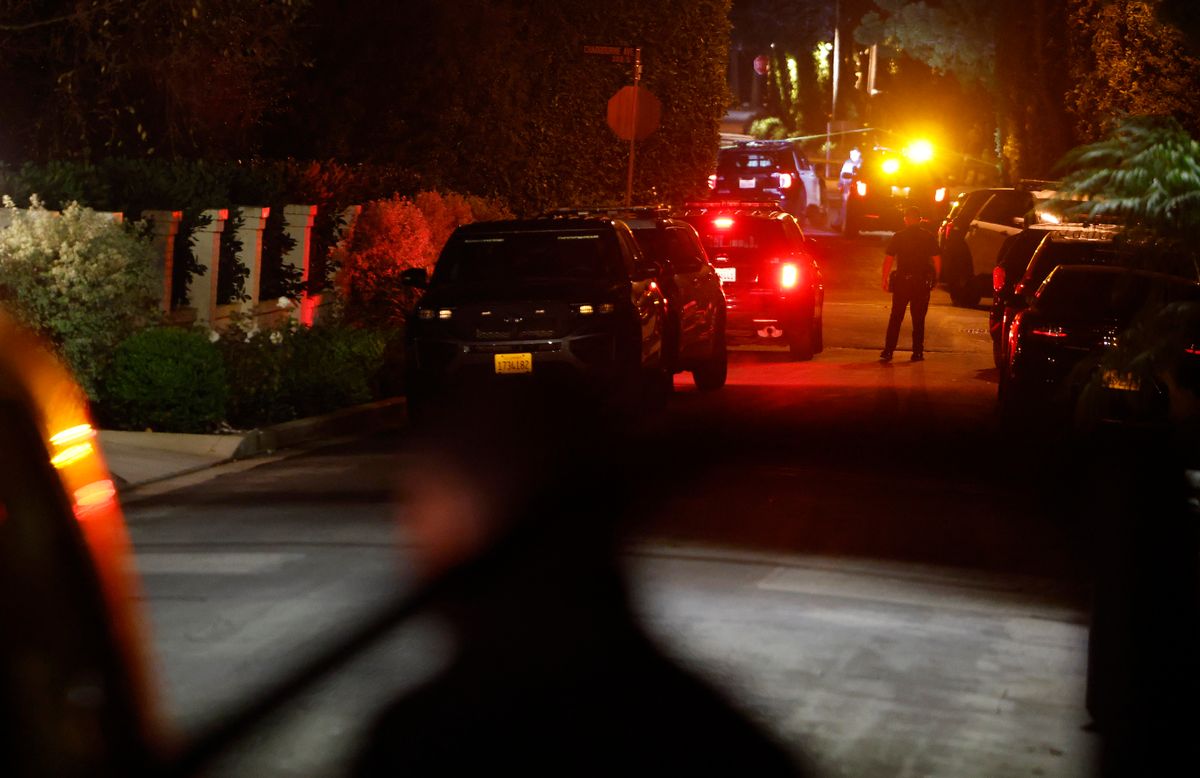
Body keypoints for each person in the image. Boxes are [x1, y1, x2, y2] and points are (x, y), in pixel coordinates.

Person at [880, 206, 941, 362]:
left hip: (902, 282)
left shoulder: (899, 236)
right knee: (919, 319)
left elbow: (889, 259)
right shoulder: (928, 237)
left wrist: (884, 278)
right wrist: (936, 278)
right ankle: (918, 352)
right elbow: (937, 259)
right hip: (921, 283)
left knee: (896, 317)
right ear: (920, 220)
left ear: (906, 219)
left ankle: (888, 351)